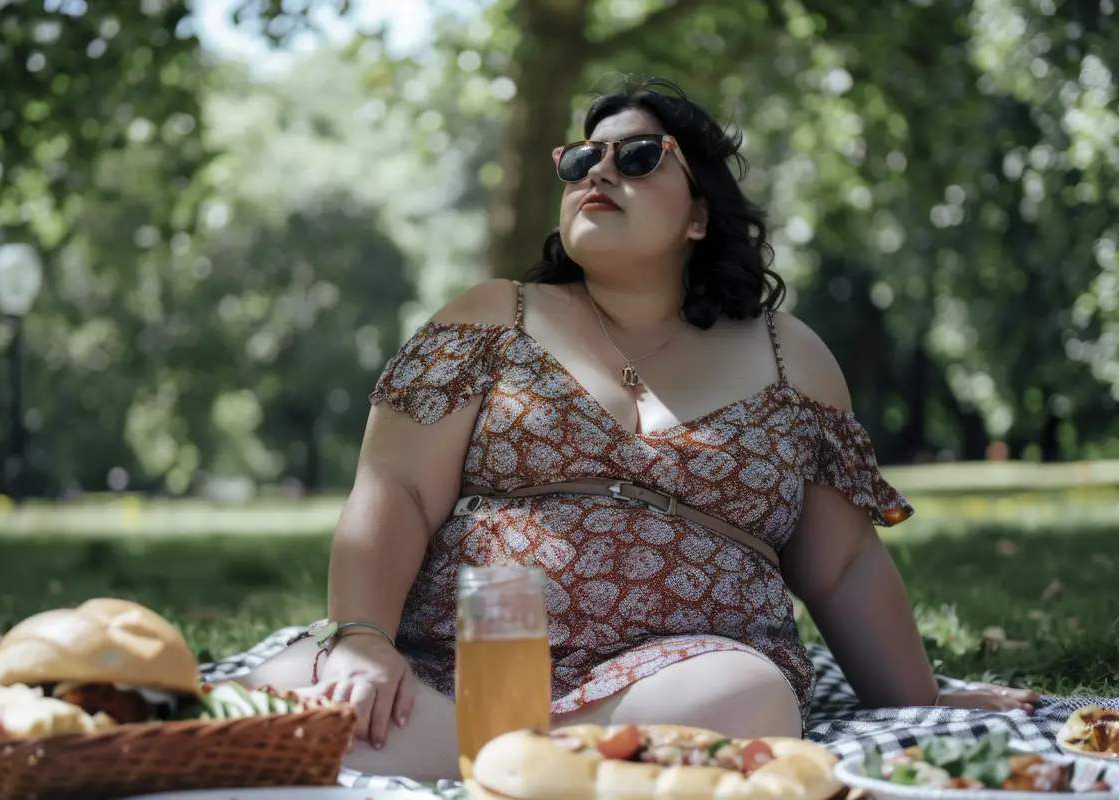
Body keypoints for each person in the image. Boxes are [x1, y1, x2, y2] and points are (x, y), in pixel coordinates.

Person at [240, 77, 1038, 781]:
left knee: (744, 693)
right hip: (456, 663)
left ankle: (483, 758)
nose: (599, 175)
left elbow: (842, 566)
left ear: (698, 215)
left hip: (678, 678)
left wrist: (921, 698)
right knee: (275, 685)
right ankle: (554, 762)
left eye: (639, 158)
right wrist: (366, 640)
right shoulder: (493, 315)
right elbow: (398, 490)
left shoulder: (790, 356)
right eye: (581, 161)